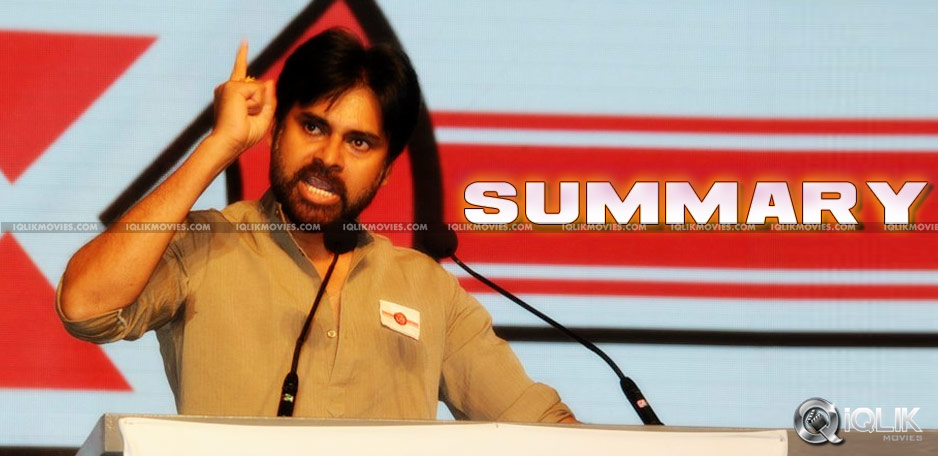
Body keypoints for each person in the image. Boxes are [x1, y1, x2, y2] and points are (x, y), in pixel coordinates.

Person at [57, 28, 576, 423]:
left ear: (385, 169)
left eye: (359, 142)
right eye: (312, 126)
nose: (329, 157)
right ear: (276, 129)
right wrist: (219, 145)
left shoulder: (428, 289)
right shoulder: (204, 245)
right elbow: (86, 308)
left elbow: (537, 424)